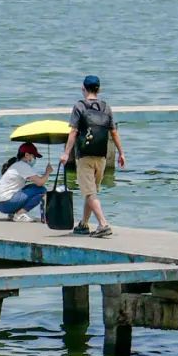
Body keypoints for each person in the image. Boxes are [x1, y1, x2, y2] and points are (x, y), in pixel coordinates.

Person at [60, 74, 126, 236]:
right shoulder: (105, 107)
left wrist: (66, 153)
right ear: (99, 89)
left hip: (85, 156)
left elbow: (73, 132)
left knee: (89, 193)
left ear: (83, 88)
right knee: (91, 192)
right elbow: (114, 132)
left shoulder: (79, 106)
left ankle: (103, 224)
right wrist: (121, 153)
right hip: (101, 157)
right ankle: (83, 224)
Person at [0, 141, 51, 221]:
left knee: (32, 187)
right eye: (34, 156)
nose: (34, 159)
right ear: (27, 155)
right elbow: (40, 182)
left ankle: (12, 214)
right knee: (41, 190)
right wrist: (47, 172)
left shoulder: (16, 165)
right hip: (7, 203)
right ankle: (19, 214)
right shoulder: (23, 165)